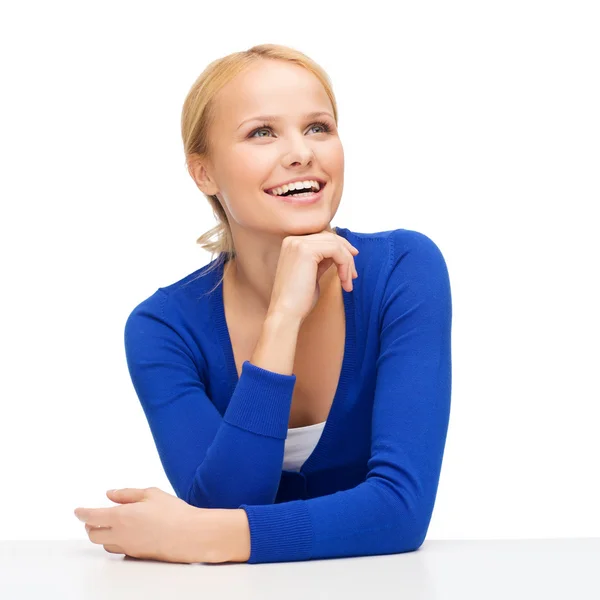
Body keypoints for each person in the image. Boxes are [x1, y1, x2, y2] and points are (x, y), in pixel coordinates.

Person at [123, 43, 453, 564]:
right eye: (262, 132)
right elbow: (227, 502)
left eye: (318, 127)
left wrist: (197, 536)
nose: (302, 152)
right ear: (203, 174)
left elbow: (400, 512)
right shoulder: (163, 328)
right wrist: (283, 319)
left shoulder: (403, 270)